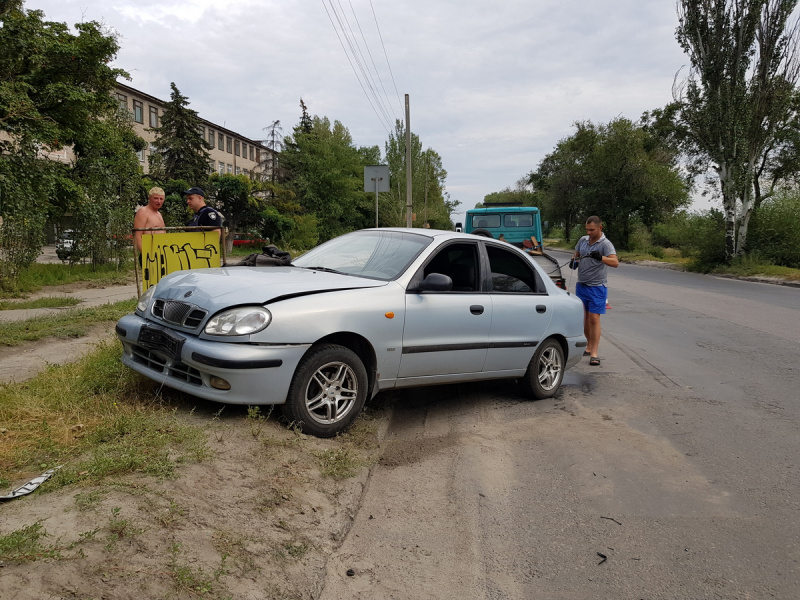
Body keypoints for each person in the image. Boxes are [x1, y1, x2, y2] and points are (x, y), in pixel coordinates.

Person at [572, 216, 619, 366]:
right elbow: (576, 255)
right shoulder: (583, 240)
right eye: (587, 229)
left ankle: (594, 353)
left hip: (597, 287)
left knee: (594, 318)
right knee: (584, 318)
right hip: (582, 285)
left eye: (592, 229)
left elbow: (615, 262)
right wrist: (574, 262)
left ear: (600, 228)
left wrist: (601, 257)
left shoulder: (605, 244)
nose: (589, 232)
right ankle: (588, 345)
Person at [133, 187, 166, 253]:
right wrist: (145, 255)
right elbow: (137, 236)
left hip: (160, 252)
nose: (159, 201)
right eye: (156, 198)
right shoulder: (143, 212)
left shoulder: (159, 214)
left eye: (161, 199)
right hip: (149, 255)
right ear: (149, 198)